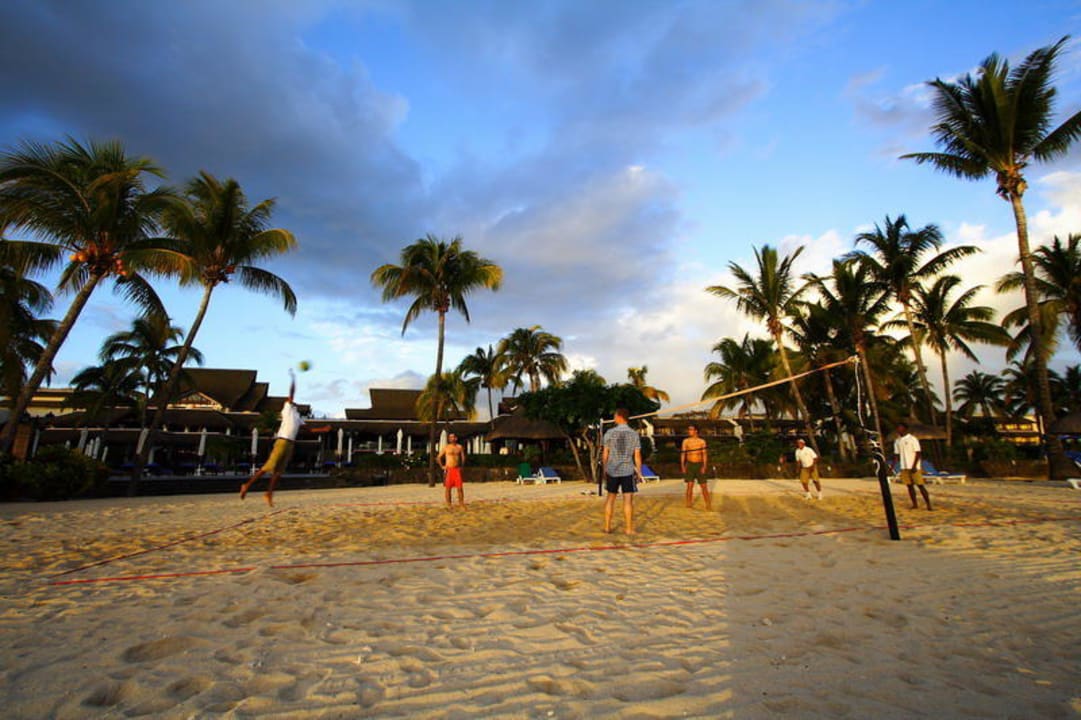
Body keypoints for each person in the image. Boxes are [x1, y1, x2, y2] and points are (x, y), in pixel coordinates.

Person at [240, 372, 327, 507]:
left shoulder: (298, 417)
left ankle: (269, 493)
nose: (291, 400)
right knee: (267, 467)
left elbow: (308, 430)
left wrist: (323, 430)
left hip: (290, 444)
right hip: (282, 441)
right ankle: (247, 485)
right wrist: (293, 381)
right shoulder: (287, 409)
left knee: (278, 472)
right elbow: (291, 394)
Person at [602, 408, 642, 534]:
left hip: (612, 469)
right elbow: (637, 455)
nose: (613, 418)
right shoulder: (634, 434)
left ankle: (607, 527)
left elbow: (605, 454)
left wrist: (604, 469)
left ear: (619, 417)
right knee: (628, 500)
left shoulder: (609, 432)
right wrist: (639, 472)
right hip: (627, 470)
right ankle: (629, 528)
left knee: (610, 498)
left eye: (614, 416)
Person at [893, 422, 932, 510]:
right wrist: (892, 466)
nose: (899, 430)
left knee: (920, 485)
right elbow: (896, 455)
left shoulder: (912, 439)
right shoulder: (897, 441)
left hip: (914, 466)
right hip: (904, 466)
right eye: (898, 428)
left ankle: (928, 504)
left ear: (904, 429)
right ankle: (915, 504)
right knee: (909, 486)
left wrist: (914, 466)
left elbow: (918, 453)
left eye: (900, 428)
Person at [681, 424, 712, 510]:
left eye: (691, 430)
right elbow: (683, 454)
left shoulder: (701, 441)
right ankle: (688, 503)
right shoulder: (686, 441)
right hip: (690, 464)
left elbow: (704, 454)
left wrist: (704, 466)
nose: (689, 431)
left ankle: (708, 504)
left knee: (704, 486)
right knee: (689, 485)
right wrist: (682, 465)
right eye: (689, 430)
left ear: (696, 431)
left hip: (699, 464)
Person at [438, 432, 466, 508]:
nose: (452, 438)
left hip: (456, 469)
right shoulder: (446, 447)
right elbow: (438, 457)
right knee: (448, 488)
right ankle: (448, 504)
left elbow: (463, 458)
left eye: (453, 437)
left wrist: (462, 467)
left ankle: (461, 503)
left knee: (460, 488)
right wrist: (442, 466)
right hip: (449, 469)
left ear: (456, 438)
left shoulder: (459, 447)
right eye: (450, 437)